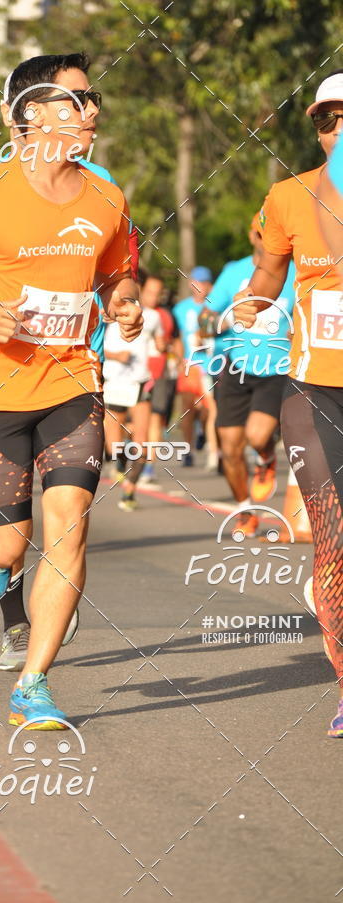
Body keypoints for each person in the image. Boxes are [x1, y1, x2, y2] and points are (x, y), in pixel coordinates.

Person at [0, 52, 142, 728]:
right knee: (9, 548)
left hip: (73, 382)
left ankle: (33, 683)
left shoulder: (107, 196)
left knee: (69, 529)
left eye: (92, 99)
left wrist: (124, 300)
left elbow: (115, 274)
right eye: (76, 100)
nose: (92, 110)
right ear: (31, 115)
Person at [233, 71, 343, 738]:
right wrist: (253, 298)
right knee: (334, 535)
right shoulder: (289, 196)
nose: (339, 129)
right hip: (317, 390)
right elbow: (268, 275)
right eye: (328, 119)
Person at [202, 214, 295, 536]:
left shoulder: (295, 270)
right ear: (252, 234)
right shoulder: (234, 272)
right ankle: (244, 508)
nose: (266, 239)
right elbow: (206, 317)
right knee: (229, 448)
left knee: (256, 436)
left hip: (277, 368)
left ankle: (267, 455)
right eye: (261, 232)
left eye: (273, 233)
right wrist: (220, 321)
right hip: (235, 366)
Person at [103, 301, 164, 510]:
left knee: (141, 440)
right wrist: (117, 356)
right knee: (112, 445)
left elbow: (159, 342)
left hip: (140, 382)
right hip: (115, 383)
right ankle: (119, 461)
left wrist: (162, 347)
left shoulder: (152, 317)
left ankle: (129, 490)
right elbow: (97, 348)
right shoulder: (107, 315)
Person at [172, 266, 218, 468]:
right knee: (188, 410)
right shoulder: (180, 309)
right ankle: (188, 449)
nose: (200, 287)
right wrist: (178, 358)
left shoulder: (216, 306)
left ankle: (207, 440)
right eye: (196, 282)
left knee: (209, 409)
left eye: (204, 283)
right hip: (189, 365)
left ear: (209, 286)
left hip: (210, 365)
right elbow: (174, 338)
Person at [139, 274, 178, 487]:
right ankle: (125, 456)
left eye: (158, 292)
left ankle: (148, 466)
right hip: (132, 374)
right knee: (134, 420)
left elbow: (170, 341)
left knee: (156, 418)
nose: (154, 297)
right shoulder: (131, 311)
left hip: (159, 371)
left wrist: (170, 351)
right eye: (150, 292)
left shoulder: (165, 315)